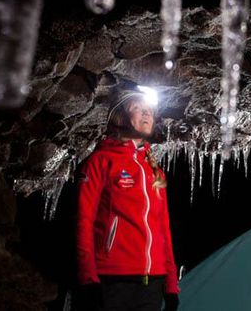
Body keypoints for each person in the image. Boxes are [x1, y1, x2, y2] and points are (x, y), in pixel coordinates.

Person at [76, 87, 179, 310]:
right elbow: (83, 221)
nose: (146, 114)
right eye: (138, 108)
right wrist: (88, 278)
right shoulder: (100, 161)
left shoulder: (155, 171)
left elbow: (163, 229)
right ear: (120, 117)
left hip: (152, 281)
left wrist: (171, 285)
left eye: (150, 110)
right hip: (113, 279)